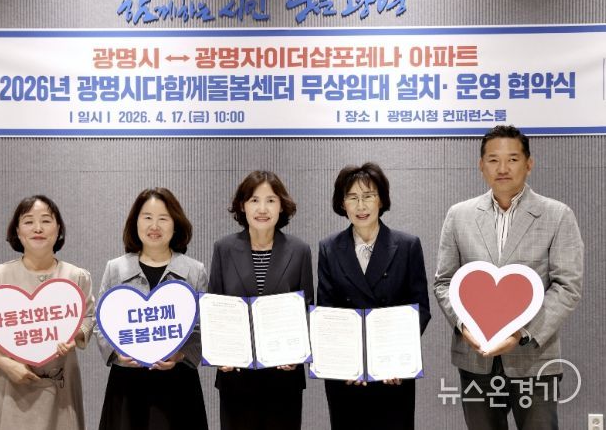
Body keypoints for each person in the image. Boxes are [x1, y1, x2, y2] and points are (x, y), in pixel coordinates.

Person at [433, 125, 584, 430]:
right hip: (475, 359)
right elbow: (444, 282)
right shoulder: (459, 216)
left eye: (512, 159)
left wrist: (521, 334)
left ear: (529, 164)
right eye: (493, 160)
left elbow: (567, 286)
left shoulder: (557, 215)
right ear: (481, 165)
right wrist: (464, 326)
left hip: (534, 360)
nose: (502, 168)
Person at [317, 162, 431, 430]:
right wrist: (349, 364)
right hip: (346, 376)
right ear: (342, 203)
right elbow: (327, 312)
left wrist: (396, 358)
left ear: (381, 200)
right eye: (352, 198)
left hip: (393, 372)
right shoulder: (329, 248)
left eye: (368, 196)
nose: (361, 206)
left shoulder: (407, 245)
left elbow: (420, 308)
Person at [0, 195, 95, 430]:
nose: (38, 228)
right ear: (17, 231)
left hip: (60, 386)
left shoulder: (77, 276)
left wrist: (75, 336)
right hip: (6, 383)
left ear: (58, 229)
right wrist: (5, 363)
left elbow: (88, 319)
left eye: (46, 221)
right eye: (28, 222)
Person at [94, 187, 208, 430]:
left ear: (175, 224)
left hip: (178, 385)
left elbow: (204, 328)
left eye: (163, 218)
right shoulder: (115, 268)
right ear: (135, 222)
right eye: (147, 217)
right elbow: (99, 322)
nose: (154, 226)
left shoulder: (194, 270)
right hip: (127, 384)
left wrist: (181, 354)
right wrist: (117, 353)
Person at [209, 170, 314, 430]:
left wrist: (299, 352)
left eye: (271, 200)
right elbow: (214, 310)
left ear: (282, 206)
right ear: (242, 206)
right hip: (236, 376)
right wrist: (219, 353)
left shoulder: (299, 250)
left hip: (283, 376)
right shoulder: (223, 249)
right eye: (254, 200)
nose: (262, 209)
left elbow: (307, 311)